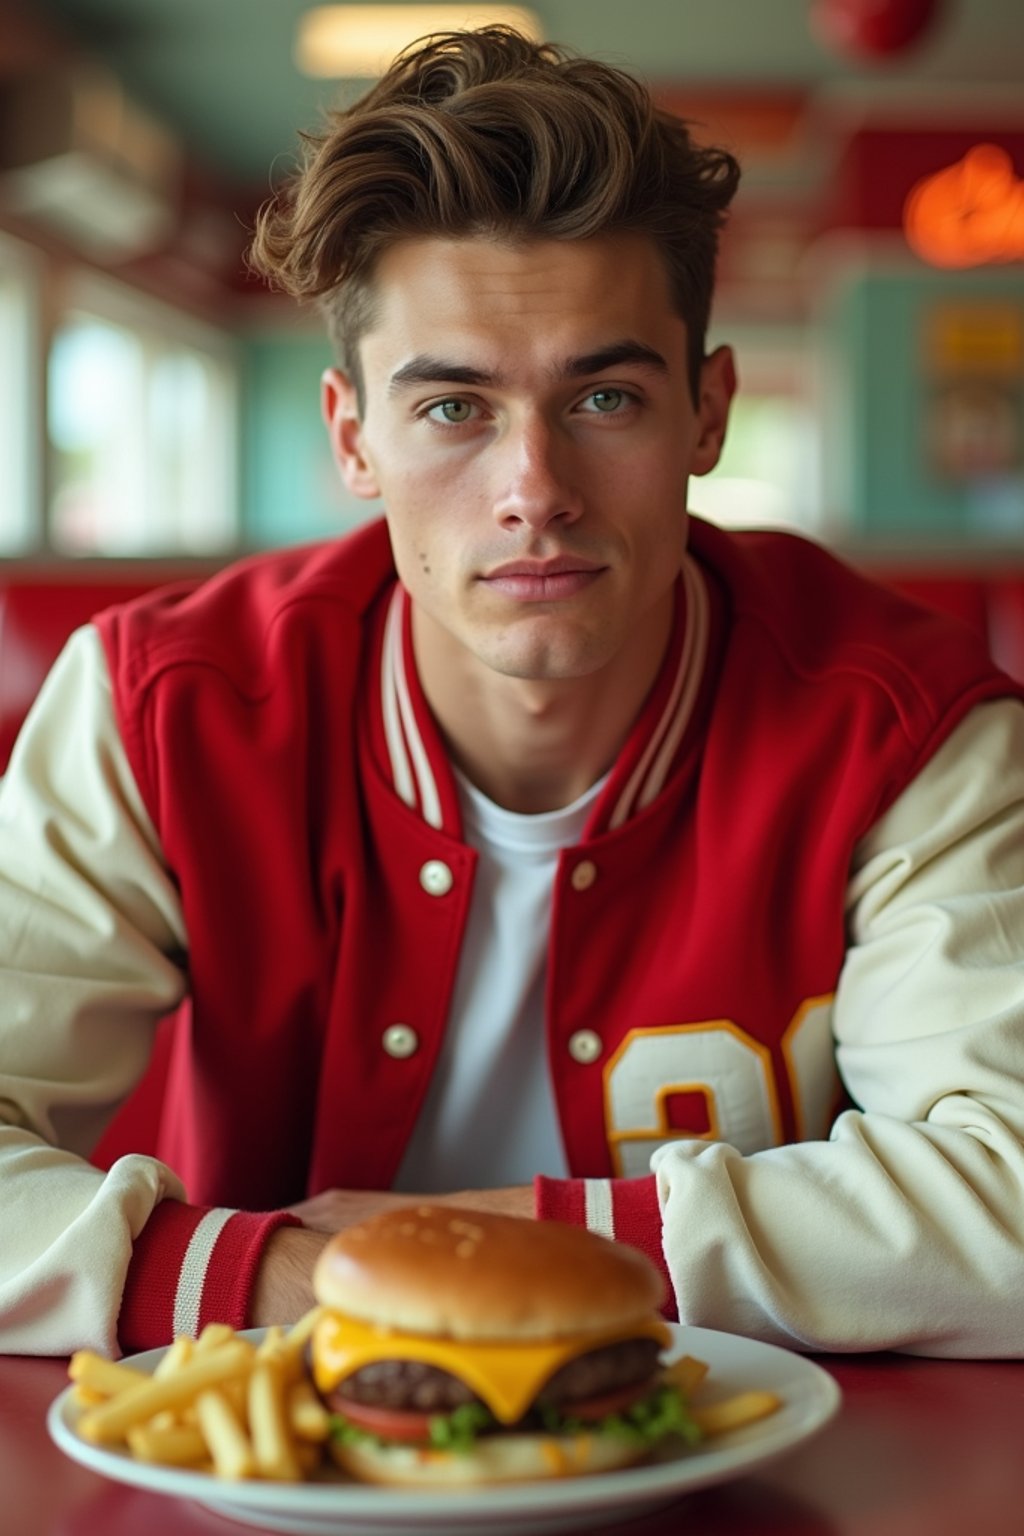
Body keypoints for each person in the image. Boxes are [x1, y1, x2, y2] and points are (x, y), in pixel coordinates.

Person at [3, 25, 1024, 1363]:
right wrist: (290, 1279)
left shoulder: (910, 727)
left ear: (707, 415)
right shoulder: (163, 709)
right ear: (351, 436)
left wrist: (508, 1253)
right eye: (452, 410)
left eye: (604, 396)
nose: (533, 485)